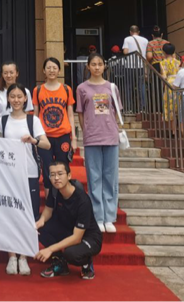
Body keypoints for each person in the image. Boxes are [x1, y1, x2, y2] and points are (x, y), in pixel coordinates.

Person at [0, 83, 50, 276]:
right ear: (8, 99)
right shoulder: (2, 120)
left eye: (20, 96)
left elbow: (46, 144)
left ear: (25, 98)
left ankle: (24, 256)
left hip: (29, 173)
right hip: (9, 174)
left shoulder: (32, 120)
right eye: (13, 96)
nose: (16, 100)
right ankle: (12, 256)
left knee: (30, 214)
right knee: (11, 214)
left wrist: (33, 141)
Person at [76, 52, 121, 234]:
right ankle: (98, 216)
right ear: (88, 66)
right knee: (94, 178)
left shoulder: (112, 87)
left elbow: (116, 111)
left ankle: (109, 217)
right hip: (92, 137)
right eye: (93, 64)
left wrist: (111, 127)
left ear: (104, 66)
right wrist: (87, 130)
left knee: (110, 177)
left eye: (100, 64)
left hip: (110, 136)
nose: (96, 67)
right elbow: (80, 113)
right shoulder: (82, 88)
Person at [35, 160, 102, 281]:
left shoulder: (82, 200)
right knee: (40, 228)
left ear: (69, 176)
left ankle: (86, 263)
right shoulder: (55, 190)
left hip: (88, 237)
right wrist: (41, 221)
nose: (56, 178)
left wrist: (49, 249)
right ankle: (60, 262)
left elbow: (77, 238)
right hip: (69, 229)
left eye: (60, 174)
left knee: (71, 254)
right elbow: (48, 209)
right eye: (52, 175)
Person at [33, 57, 77, 192]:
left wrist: (74, 138)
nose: (51, 70)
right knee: (47, 171)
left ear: (59, 70)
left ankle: (62, 202)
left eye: (54, 68)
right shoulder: (38, 90)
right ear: (43, 71)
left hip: (63, 135)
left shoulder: (66, 89)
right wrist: (35, 137)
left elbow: (70, 114)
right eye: (48, 68)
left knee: (62, 170)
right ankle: (50, 203)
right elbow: (35, 115)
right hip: (44, 137)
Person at [122, 25, 149, 111]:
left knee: (128, 87)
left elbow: (125, 52)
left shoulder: (127, 39)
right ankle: (143, 107)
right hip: (141, 66)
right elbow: (147, 54)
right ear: (139, 32)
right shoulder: (145, 40)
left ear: (130, 32)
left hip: (129, 66)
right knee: (141, 87)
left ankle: (129, 107)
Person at [159, 43, 181, 134]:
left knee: (169, 107)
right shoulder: (178, 62)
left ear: (164, 52)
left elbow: (164, 76)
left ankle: (173, 131)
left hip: (169, 85)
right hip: (178, 84)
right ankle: (180, 128)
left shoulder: (163, 62)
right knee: (178, 107)